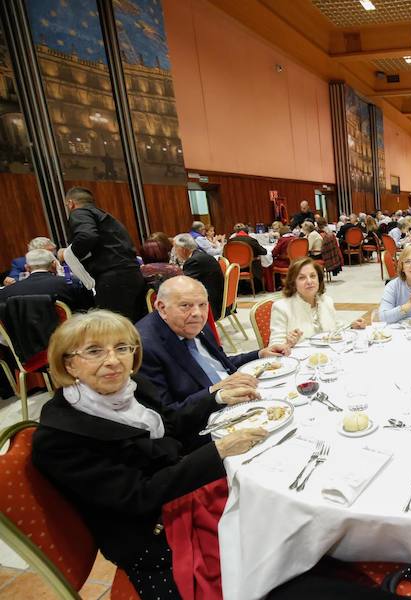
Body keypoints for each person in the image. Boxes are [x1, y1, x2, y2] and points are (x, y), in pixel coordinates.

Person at [32, 310, 266, 598]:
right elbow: (138, 495)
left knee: (266, 492)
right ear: (69, 364)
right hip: (150, 535)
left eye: (121, 348)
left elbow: (169, 423)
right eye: (94, 351)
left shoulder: (132, 388)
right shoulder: (59, 437)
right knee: (264, 539)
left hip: (175, 489)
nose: (113, 361)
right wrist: (217, 451)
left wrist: (216, 397)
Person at [135, 276, 291, 409]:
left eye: (202, 305)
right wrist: (216, 393)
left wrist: (259, 354)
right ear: (162, 308)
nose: (197, 313)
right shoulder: (145, 348)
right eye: (185, 305)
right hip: (206, 418)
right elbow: (167, 415)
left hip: (239, 395)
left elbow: (219, 363)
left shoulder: (194, 323)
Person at [59, 187, 146, 322]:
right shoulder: (104, 216)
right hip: (131, 273)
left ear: (70, 203)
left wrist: (69, 254)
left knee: (112, 326)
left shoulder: (79, 213)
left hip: (113, 278)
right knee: (133, 323)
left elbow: (86, 235)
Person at [269, 258, 338, 345]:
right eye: (302, 278)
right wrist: (288, 344)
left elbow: (339, 330)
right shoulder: (281, 308)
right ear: (293, 283)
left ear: (319, 279)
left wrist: (354, 326)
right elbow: (274, 347)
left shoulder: (327, 301)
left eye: (313, 276)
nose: (309, 281)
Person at [0, 249, 93, 311]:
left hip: (23, 339)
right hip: (68, 337)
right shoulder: (71, 283)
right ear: (54, 265)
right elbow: (88, 309)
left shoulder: (5, 293)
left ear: (27, 268)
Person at [173, 234, 225, 318]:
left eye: (175, 248)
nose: (175, 252)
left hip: (213, 306)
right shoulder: (200, 256)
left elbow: (183, 284)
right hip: (220, 300)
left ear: (183, 249)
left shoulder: (194, 261)